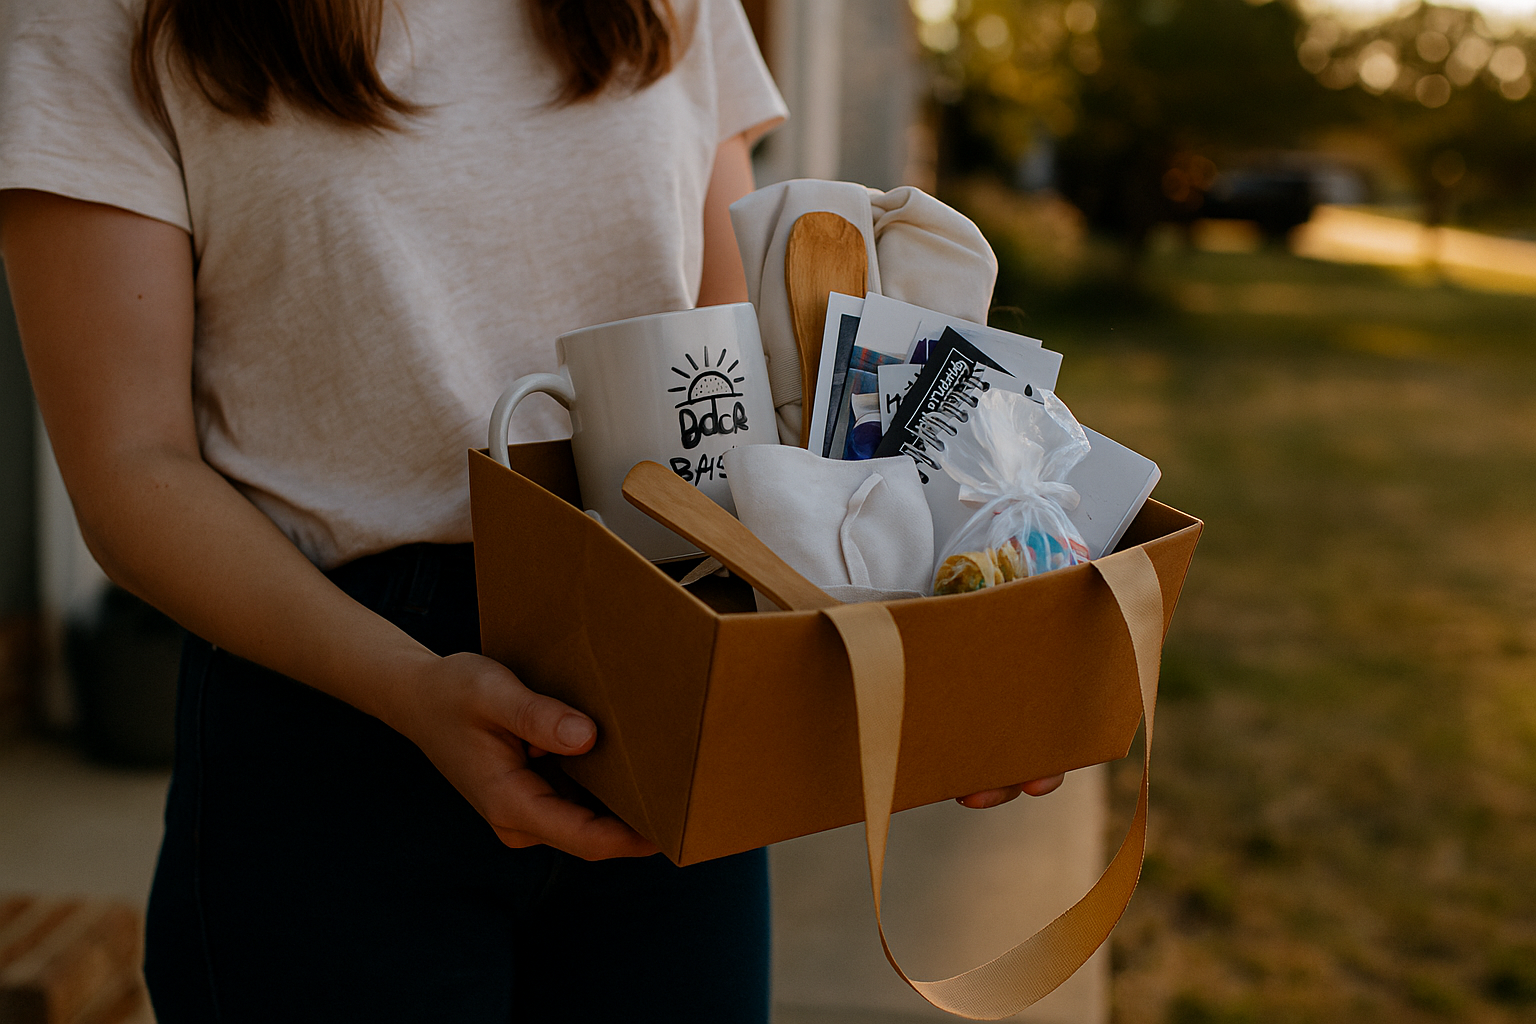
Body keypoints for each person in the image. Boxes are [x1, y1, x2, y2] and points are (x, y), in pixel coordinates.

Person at [0, 0, 1061, 1020]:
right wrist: (411, 689)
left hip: (669, 685)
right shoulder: (103, 13)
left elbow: (738, 391)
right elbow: (132, 467)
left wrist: (928, 663)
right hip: (331, 728)